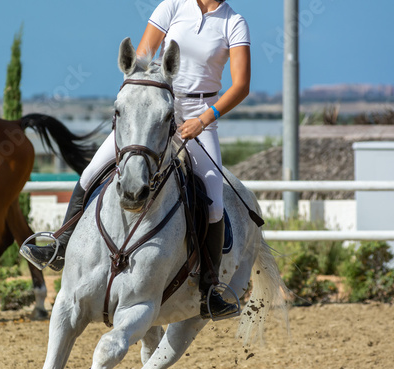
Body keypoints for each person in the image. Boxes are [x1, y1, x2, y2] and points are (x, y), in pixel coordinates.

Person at [21, 0, 251, 319]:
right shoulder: (171, 7)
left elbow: (241, 85)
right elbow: (141, 59)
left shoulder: (233, 22)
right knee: (90, 173)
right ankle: (59, 246)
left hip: (200, 114)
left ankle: (210, 288)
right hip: (153, 105)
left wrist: (205, 119)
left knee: (213, 199)